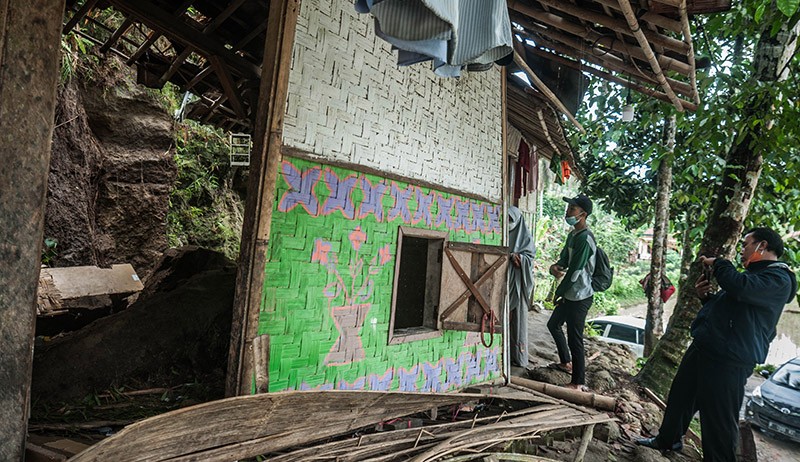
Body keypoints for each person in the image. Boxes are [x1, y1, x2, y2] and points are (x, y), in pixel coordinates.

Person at [636, 227, 797, 461]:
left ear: (762, 246)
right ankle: (667, 439)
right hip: (707, 345)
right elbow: (734, 313)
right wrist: (706, 298)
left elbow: (740, 288)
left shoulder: (778, 279)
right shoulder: (752, 276)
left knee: (718, 418)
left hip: (730, 358)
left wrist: (720, 263)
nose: (742, 250)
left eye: (746, 244)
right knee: (681, 397)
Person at [547, 194, 596, 390]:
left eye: (572, 209)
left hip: (580, 295)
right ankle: (566, 362)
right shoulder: (573, 235)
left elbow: (575, 271)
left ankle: (578, 382)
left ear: (583, 214)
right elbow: (565, 262)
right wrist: (555, 267)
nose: (568, 212)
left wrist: (559, 291)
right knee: (554, 324)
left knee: (575, 337)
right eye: (569, 208)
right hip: (571, 293)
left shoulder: (585, 238)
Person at [508, 206, 535, 368]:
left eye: (511, 220)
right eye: (507, 219)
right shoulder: (500, 233)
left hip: (517, 284)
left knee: (517, 321)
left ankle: (518, 356)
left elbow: (529, 258)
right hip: (502, 284)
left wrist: (519, 259)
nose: (509, 223)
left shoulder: (525, 238)